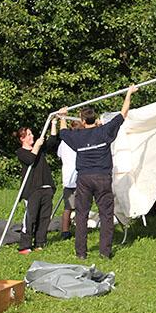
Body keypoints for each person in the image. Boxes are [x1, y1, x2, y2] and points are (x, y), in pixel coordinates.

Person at [58, 85, 137, 260]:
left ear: (82, 121)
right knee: (106, 215)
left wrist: (62, 116)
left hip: (84, 178)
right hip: (102, 177)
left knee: (81, 215)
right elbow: (123, 114)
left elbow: (63, 133)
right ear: (95, 118)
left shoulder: (78, 136)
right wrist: (129, 93)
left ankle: (81, 253)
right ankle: (105, 252)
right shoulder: (104, 131)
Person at [14, 119, 60, 254]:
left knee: (44, 217)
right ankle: (25, 245)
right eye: (29, 134)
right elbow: (30, 160)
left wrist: (53, 124)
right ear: (22, 138)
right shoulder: (21, 152)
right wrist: (37, 146)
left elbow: (52, 141)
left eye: (31, 133)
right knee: (30, 218)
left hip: (46, 187)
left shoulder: (39, 149)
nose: (32, 136)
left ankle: (40, 243)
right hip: (32, 190)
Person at [56, 119, 81, 241]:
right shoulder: (80, 140)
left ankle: (65, 231)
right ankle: (79, 230)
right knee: (81, 207)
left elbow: (59, 155)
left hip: (68, 179)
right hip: (79, 178)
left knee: (68, 207)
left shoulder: (64, 142)